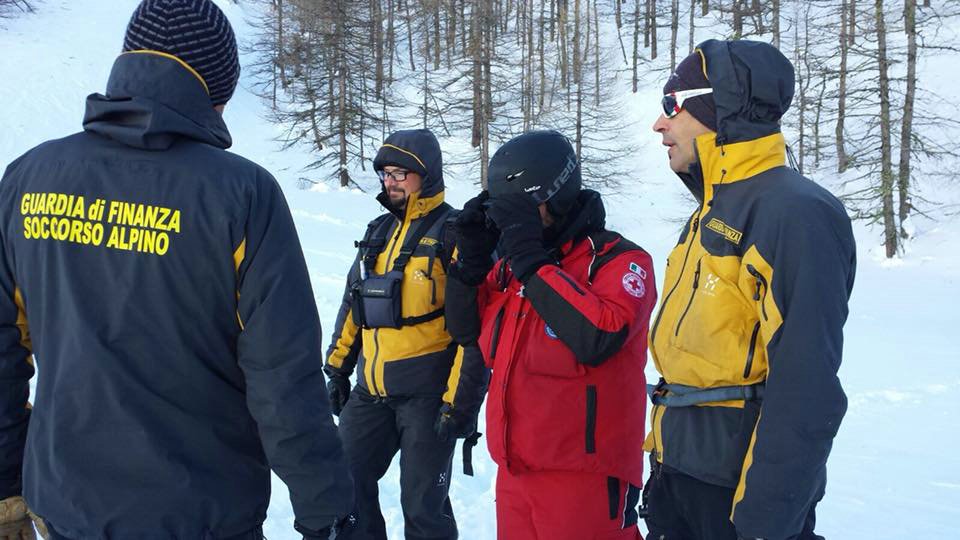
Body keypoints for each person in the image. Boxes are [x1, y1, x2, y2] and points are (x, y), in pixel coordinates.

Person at [0, 1, 355, 538]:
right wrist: (328, 514)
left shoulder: (28, 177)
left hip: (66, 507)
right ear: (217, 90)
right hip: (200, 513)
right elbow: (282, 379)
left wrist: (7, 484)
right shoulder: (241, 194)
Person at [643, 39, 857, 540]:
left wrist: (764, 520)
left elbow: (807, 388)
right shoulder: (712, 212)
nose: (660, 124)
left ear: (719, 106)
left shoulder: (793, 212)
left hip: (735, 493)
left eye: (671, 106)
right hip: (680, 477)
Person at [445, 130, 657, 540]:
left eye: (522, 208)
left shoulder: (618, 260)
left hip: (585, 478)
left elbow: (599, 336)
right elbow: (465, 330)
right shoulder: (511, 269)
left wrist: (530, 259)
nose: (513, 222)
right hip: (516, 470)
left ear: (556, 196)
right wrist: (468, 265)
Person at [324, 129, 487, 540]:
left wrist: (460, 402)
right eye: (385, 173)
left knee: (422, 505)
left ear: (426, 175)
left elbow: (475, 329)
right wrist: (337, 370)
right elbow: (353, 305)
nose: (390, 182)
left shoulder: (455, 232)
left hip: (428, 397)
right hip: (370, 393)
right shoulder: (377, 231)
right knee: (343, 482)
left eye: (400, 173)